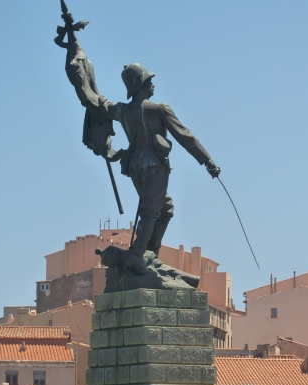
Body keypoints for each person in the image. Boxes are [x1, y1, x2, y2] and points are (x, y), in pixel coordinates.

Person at [82, 63, 221, 275]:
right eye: (149, 81)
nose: (153, 84)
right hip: (154, 165)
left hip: (134, 167)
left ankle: (149, 252)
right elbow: (185, 136)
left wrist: (85, 88)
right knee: (150, 211)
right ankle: (138, 256)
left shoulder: (122, 110)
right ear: (141, 85)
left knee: (165, 208)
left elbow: (100, 105)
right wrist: (207, 160)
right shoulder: (158, 109)